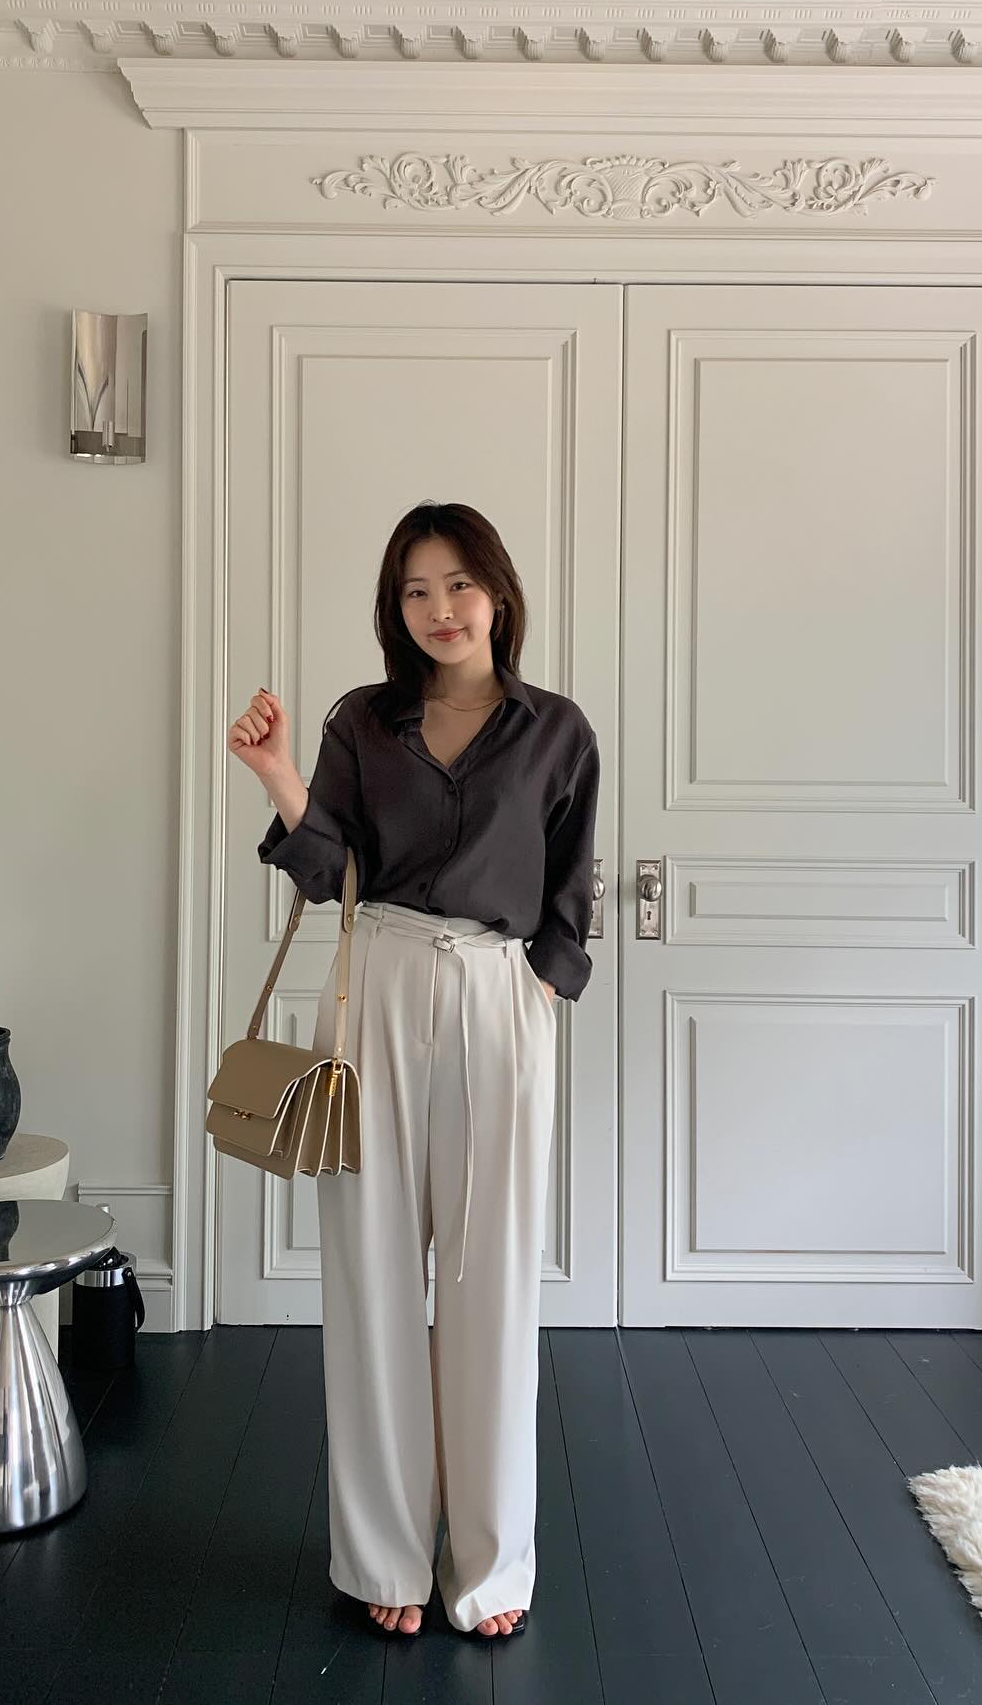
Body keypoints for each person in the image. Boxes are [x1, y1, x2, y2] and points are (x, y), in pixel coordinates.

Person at [226, 499, 599, 1641]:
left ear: (499, 593)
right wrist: (280, 775)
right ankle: (385, 1553)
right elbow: (326, 868)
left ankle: (489, 1564)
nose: (441, 609)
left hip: (497, 993)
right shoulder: (361, 719)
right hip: (375, 984)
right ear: (397, 607)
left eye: (459, 584)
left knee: (494, 1282)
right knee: (372, 1274)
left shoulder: (558, 731)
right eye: (416, 590)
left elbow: (570, 895)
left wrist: (538, 988)